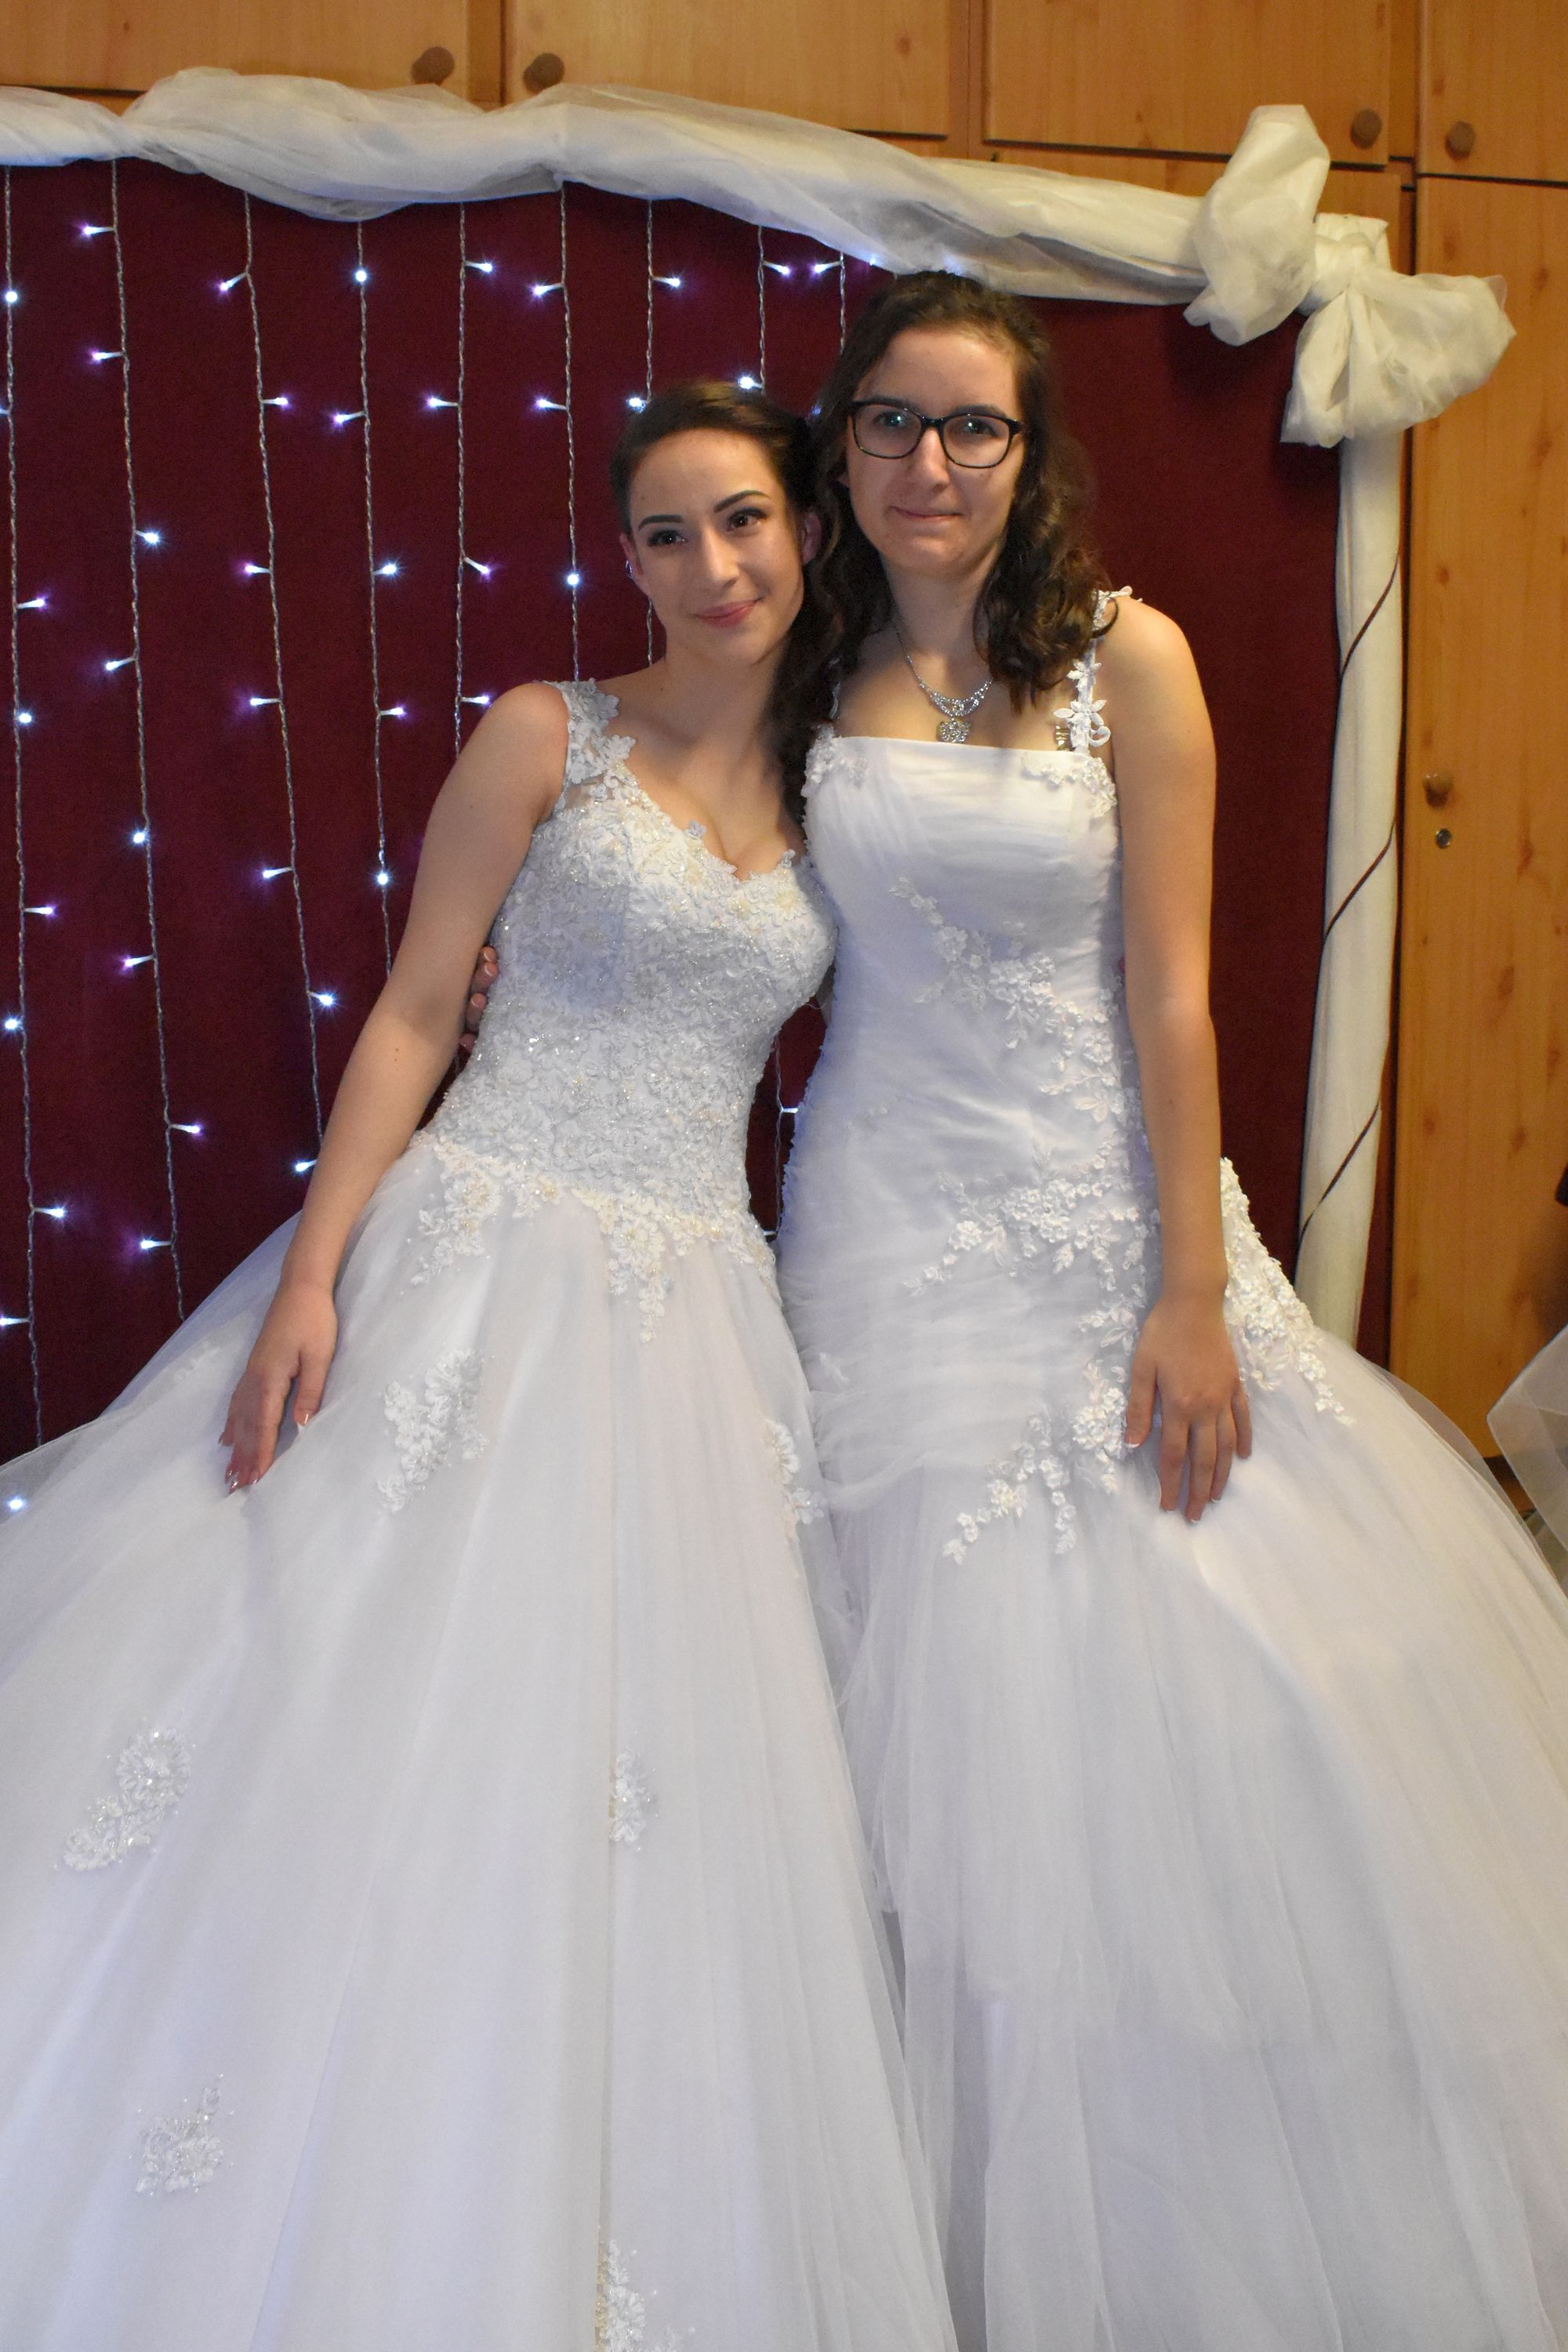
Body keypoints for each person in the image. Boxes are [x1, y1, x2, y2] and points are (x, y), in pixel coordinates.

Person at [0, 383, 957, 2352]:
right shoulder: (547, 732)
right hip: (477, 1251)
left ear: (806, 534)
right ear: (628, 561)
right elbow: (419, 1009)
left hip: (699, 1321)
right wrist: (313, 1277)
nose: (715, 566)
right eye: (670, 533)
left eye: (746, 520)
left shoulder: (849, 788)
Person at [769, 273, 1568, 2351]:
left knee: (1195, 1659)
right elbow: (708, 871)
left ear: (1029, 452)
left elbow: (1179, 995)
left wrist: (1193, 1282)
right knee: (894, 1686)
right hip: (876, 1214)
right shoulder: (797, 654)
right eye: (888, 421)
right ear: (841, 443)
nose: (927, 462)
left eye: (972, 424)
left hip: (1101, 1209)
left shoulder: (1131, 654)